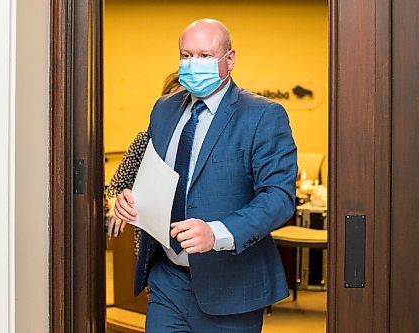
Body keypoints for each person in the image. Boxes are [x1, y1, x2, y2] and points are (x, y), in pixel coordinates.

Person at [114, 18, 297, 332]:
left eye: (204, 56)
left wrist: (217, 232)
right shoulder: (163, 109)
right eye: (186, 56)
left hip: (231, 287)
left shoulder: (263, 115)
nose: (192, 64)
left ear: (230, 58)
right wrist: (131, 199)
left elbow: (278, 198)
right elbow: (158, 175)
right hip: (167, 279)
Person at [105, 71, 184, 246]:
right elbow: (114, 189)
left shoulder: (207, 143)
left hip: (194, 245)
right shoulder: (145, 141)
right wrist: (116, 207)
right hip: (150, 245)